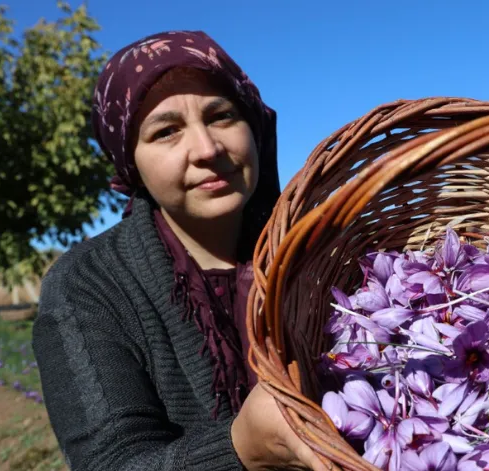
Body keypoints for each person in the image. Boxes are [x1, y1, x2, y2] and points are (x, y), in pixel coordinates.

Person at [32, 31, 327, 471]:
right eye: (166, 131)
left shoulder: (317, 252)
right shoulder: (86, 287)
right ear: (130, 162)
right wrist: (241, 448)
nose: (207, 149)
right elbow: (109, 461)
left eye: (222, 115)